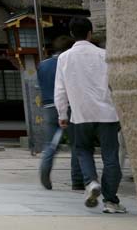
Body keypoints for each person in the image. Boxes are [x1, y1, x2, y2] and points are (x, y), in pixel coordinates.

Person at [54, 16, 127, 214]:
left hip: (81, 114)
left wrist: (62, 113)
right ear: (90, 33)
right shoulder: (104, 55)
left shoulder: (64, 58)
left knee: (82, 150)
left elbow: (60, 90)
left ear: (71, 34)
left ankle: (91, 182)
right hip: (107, 113)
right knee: (111, 156)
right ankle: (111, 200)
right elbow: (116, 84)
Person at [38, 35, 83, 190]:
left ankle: (45, 168)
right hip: (68, 105)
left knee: (51, 143)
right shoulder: (68, 62)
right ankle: (77, 180)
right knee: (76, 143)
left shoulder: (42, 65)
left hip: (48, 106)